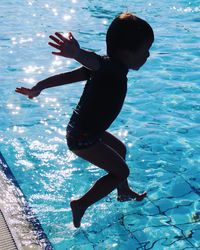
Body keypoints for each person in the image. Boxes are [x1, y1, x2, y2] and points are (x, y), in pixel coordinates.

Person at [16, 12, 154, 228]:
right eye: (146, 50)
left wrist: (39, 87)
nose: (148, 56)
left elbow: (66, 77)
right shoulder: (109, 67)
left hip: (83, 130)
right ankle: (81, 204)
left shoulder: (106, 67)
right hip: (84, 137)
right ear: (127, 52)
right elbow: (93, 60)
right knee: (121, 170)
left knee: (119, 150)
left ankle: (123, 192)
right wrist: (77, 53)